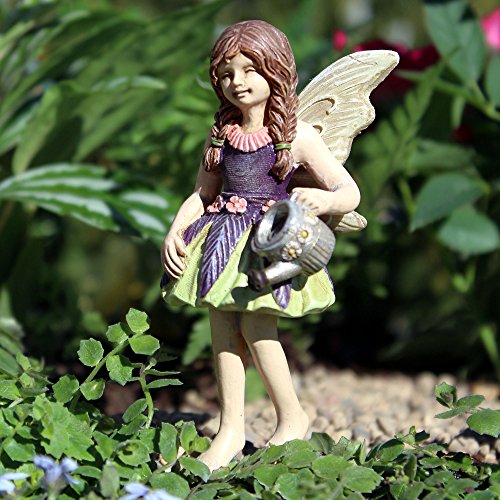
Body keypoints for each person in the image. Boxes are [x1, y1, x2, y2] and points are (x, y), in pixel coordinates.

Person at [161, 20, 360, 472]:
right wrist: (176, 230)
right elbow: (202, 194)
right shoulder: (220, 135)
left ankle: (292, 417)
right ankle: (230, 429)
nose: (238, 82)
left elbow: (349, 191)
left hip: (266, 243)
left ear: (276, 70)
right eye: (226, 74)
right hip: (221, 241)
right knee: (221, 326)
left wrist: (326, 200)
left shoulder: (296, 136)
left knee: (256, 325)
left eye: (250, 70)